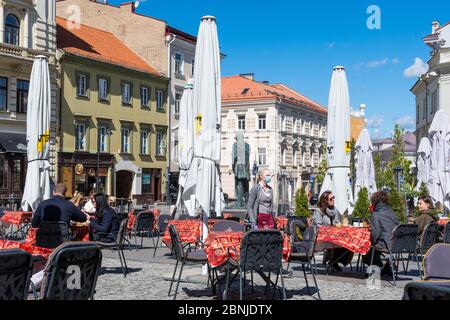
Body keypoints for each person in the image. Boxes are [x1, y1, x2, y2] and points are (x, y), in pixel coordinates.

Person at [312, 191, 353, 272]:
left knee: (348, 243)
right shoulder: (319, 211)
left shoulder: (335, 210)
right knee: (340, 243)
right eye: (331, 198)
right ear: (325, 200)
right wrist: (331, 229)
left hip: (334, 236)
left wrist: (339, 226)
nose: (333, 200)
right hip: (321, 237)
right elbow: (318, 227)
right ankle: (334, 262)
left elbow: (337, 222)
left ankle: (334, 261)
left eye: (333, 197)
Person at [363, 191, 400, 276]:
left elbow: (375, 234)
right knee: (372, 245)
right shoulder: (392, 212)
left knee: (366, 246)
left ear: (374, 201)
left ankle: (378, 267)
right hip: (397, 243)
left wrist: (369, 240)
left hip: (386, 243)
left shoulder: (376, 214)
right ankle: (387, 267)